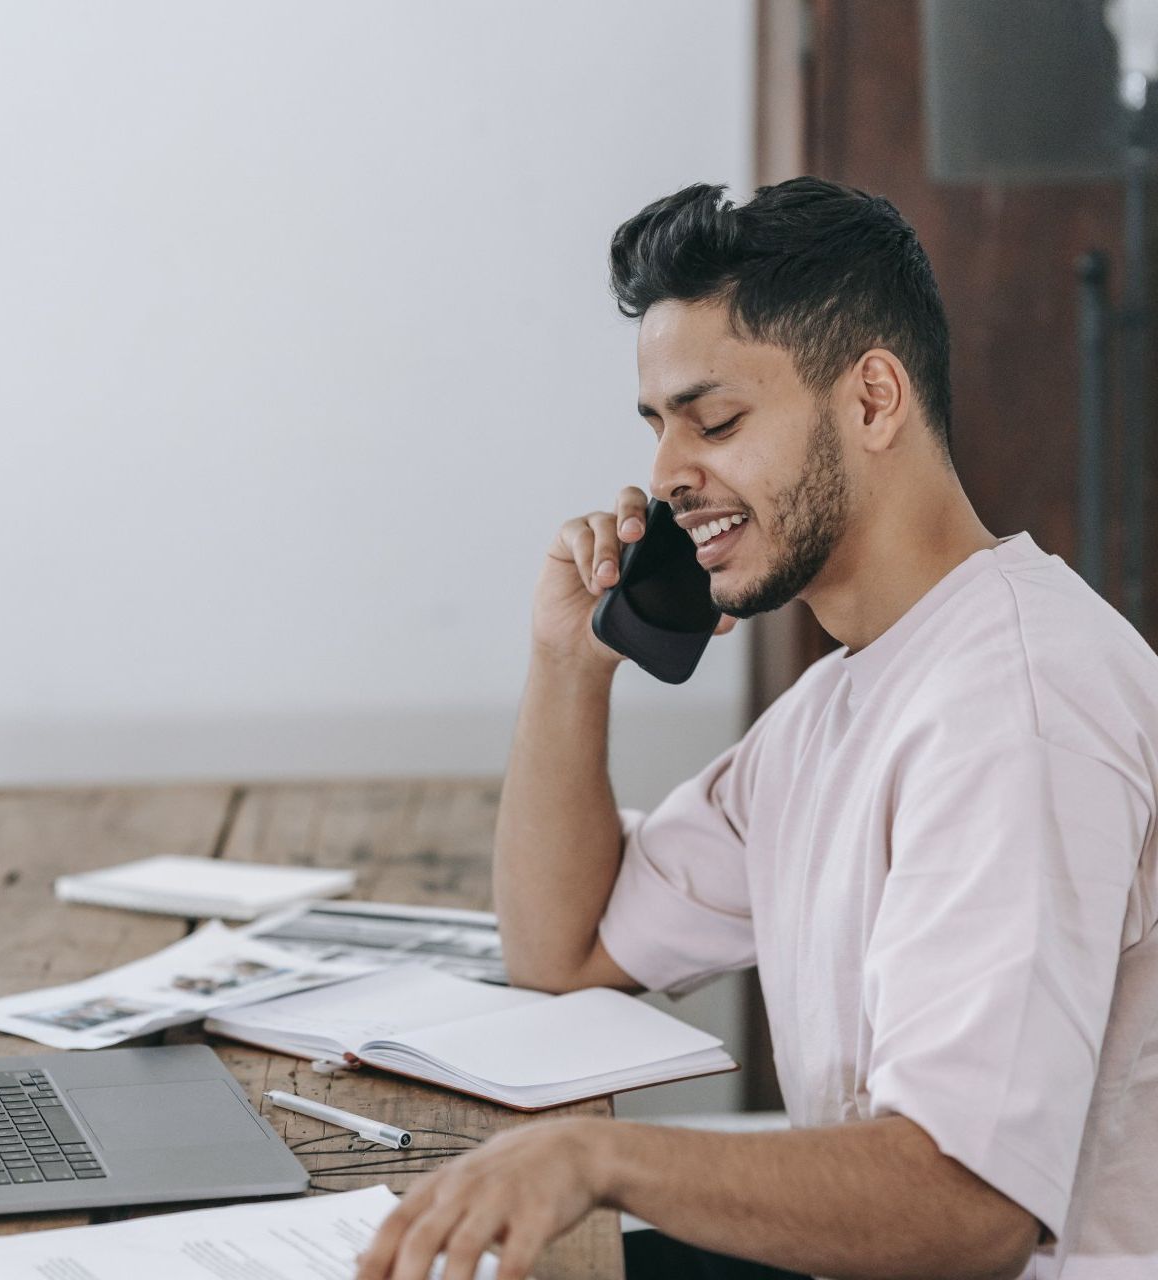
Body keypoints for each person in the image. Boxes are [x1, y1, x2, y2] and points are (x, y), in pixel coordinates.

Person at [355, 178, 1158, 1280]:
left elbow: (968, 1207)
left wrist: (595, 1155)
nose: (666, 476)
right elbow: (564, 950)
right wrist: (567, 662)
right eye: (657, 427)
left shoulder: (1015, 710)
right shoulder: (841, 703)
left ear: (872, 400)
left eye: (715, 420)